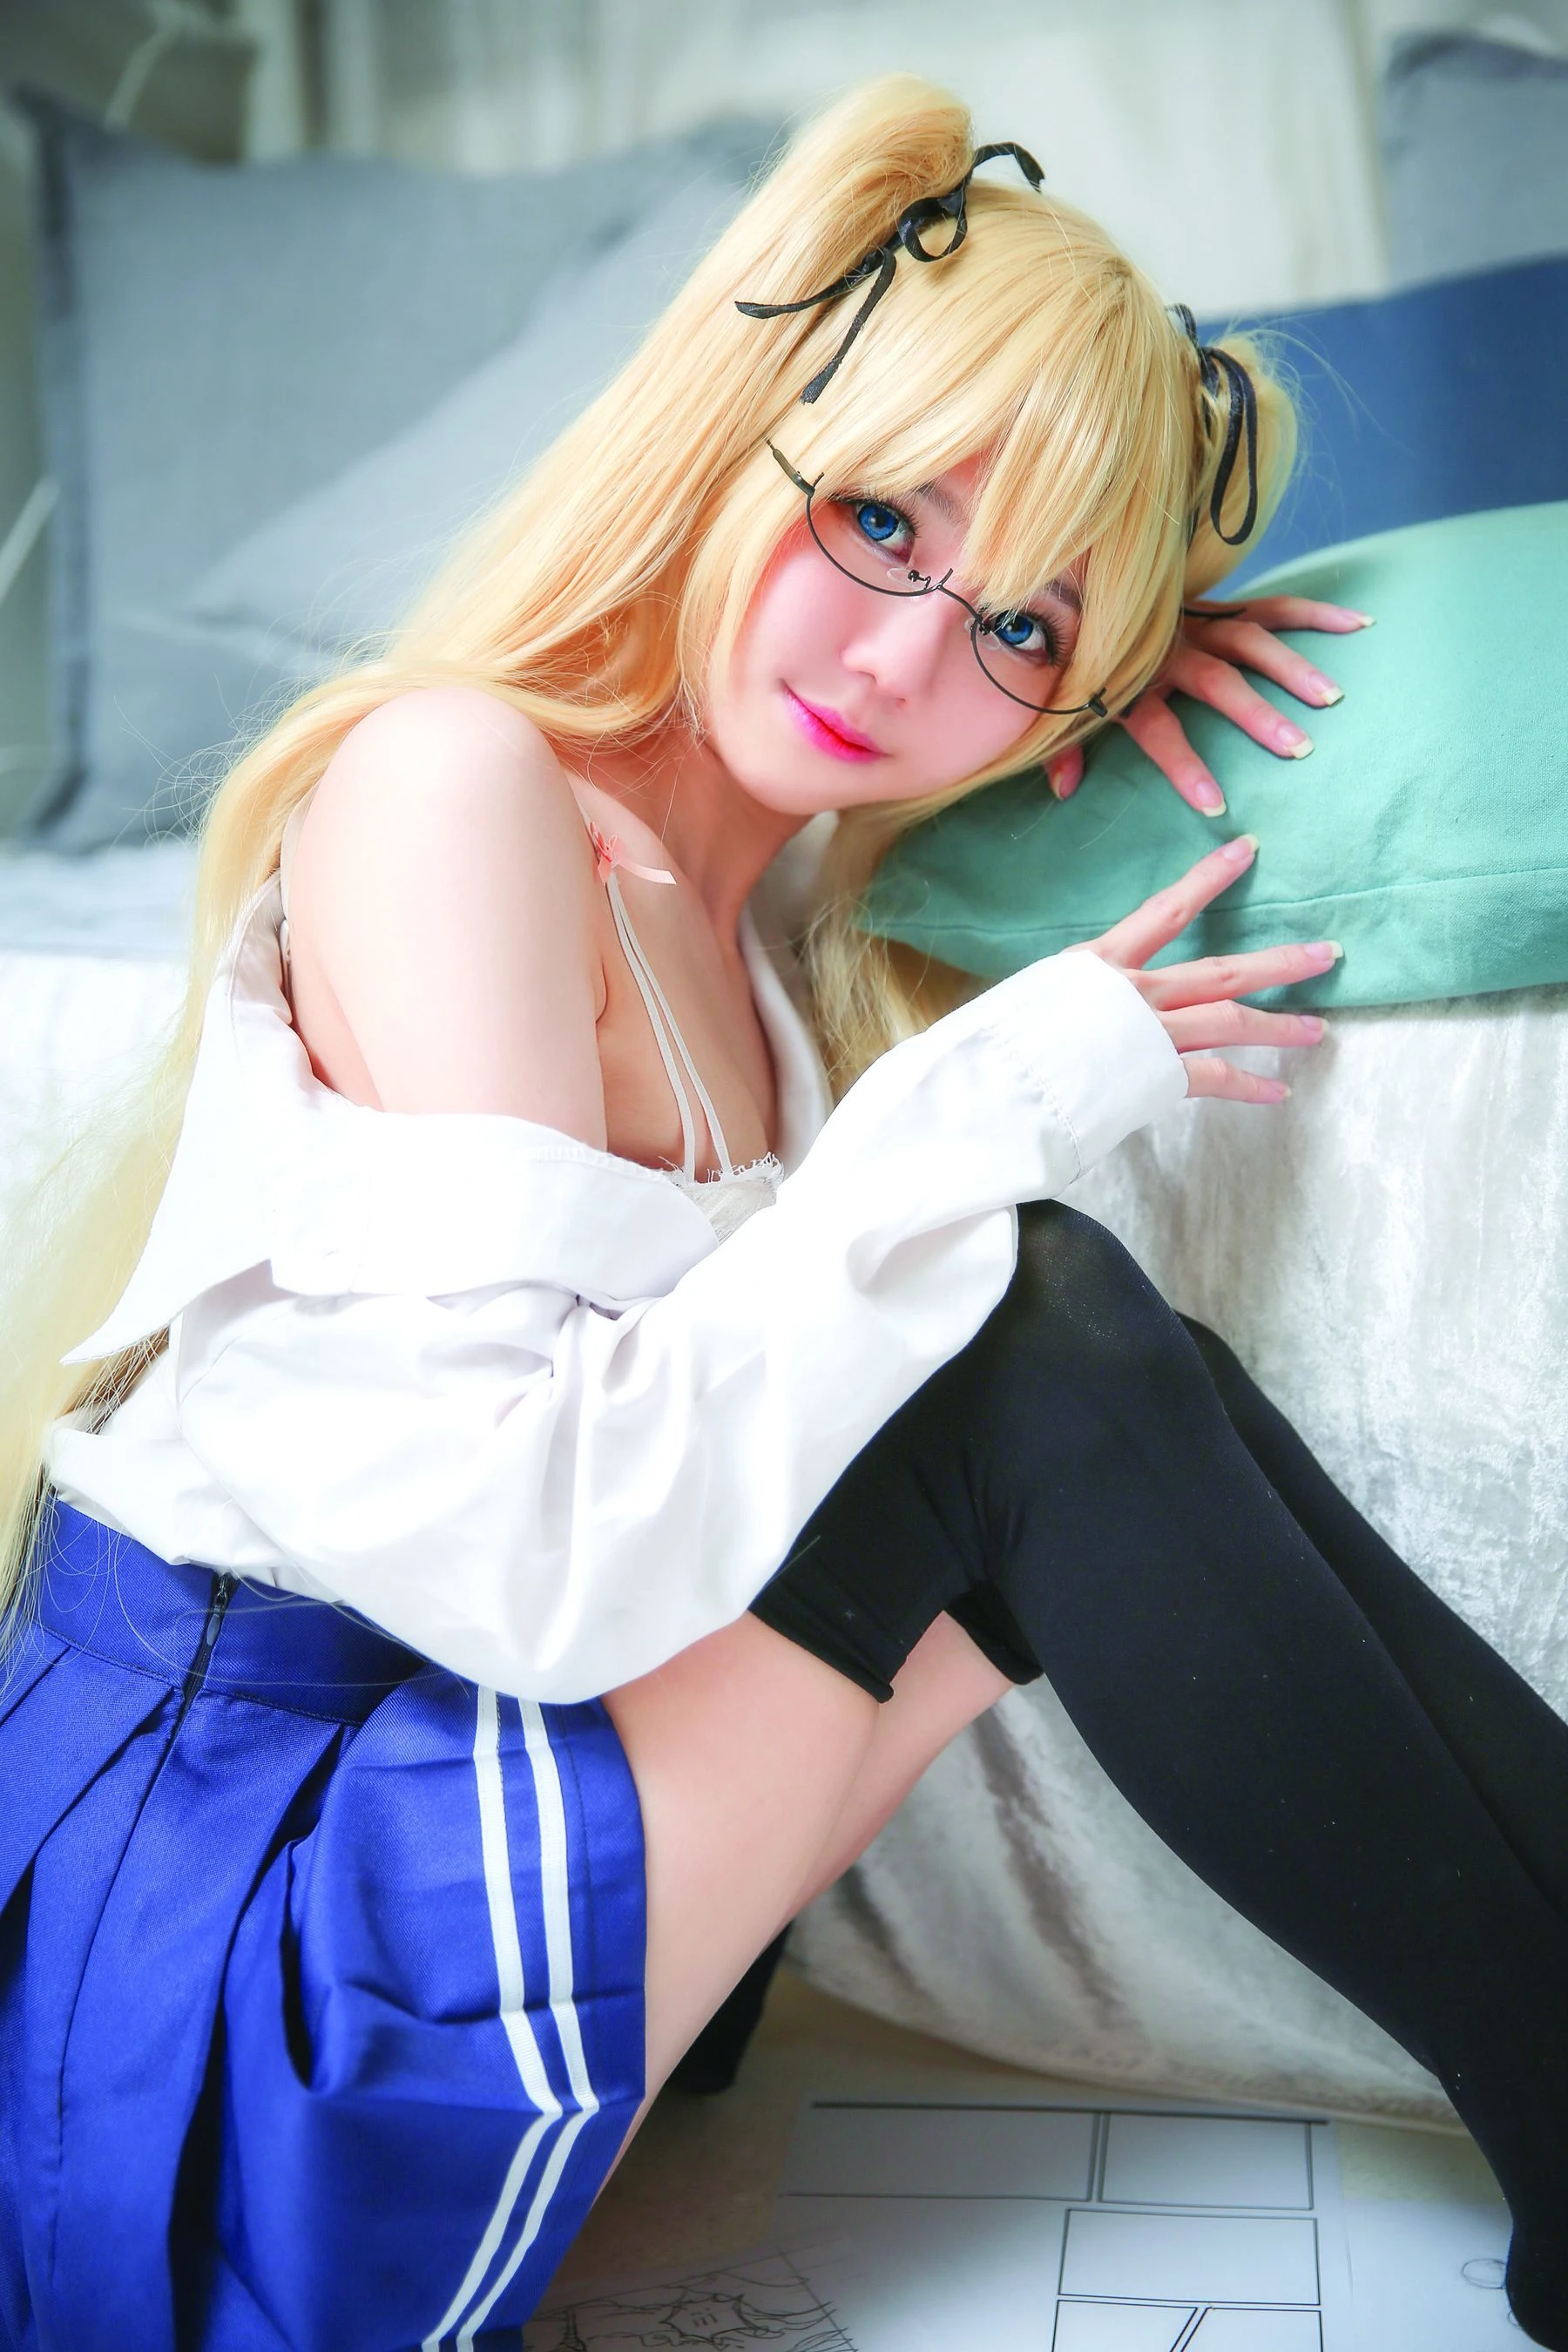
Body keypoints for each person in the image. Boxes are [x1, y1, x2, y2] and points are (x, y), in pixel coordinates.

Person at [2, 74, 1565, 2352]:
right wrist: (988, 1103)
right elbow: (519, 1571)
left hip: (493, 1837)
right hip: (260, 1972)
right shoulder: (458, 788)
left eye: (1024, 630)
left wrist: (1131, 686)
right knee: (1025, 1337)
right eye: (880, 518)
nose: (902, 664)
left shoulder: (771, 966)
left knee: (1075, 1361)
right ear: (743, 437)